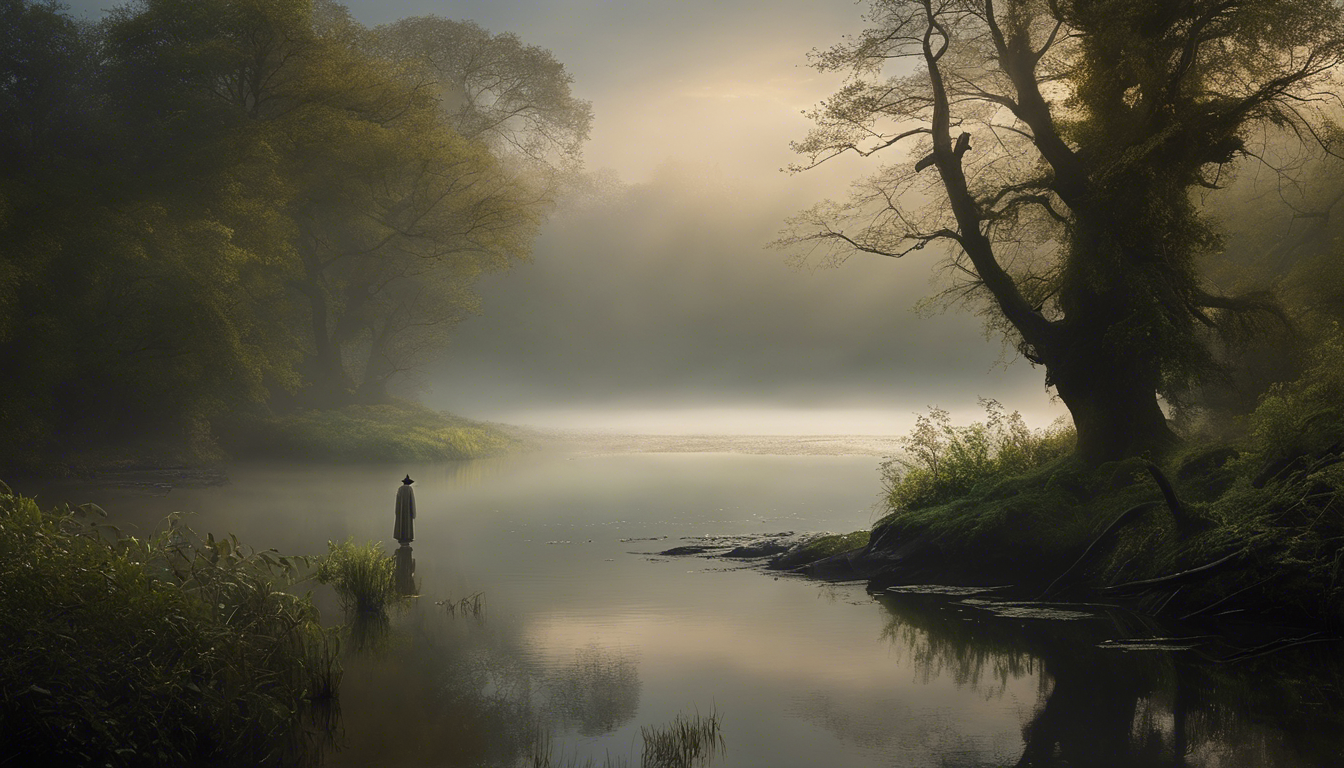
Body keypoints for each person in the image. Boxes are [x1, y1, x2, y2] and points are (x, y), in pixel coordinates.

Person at [394, 475, 415, 545]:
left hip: (401, 509)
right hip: (408, 510)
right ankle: (407, 536)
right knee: (407, 523)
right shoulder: (409, 489)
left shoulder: (400, 489)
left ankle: (401, 536)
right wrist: (413, 512)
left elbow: (398, 501)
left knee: (401, 522)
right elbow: (412, 500)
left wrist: (397, 511)